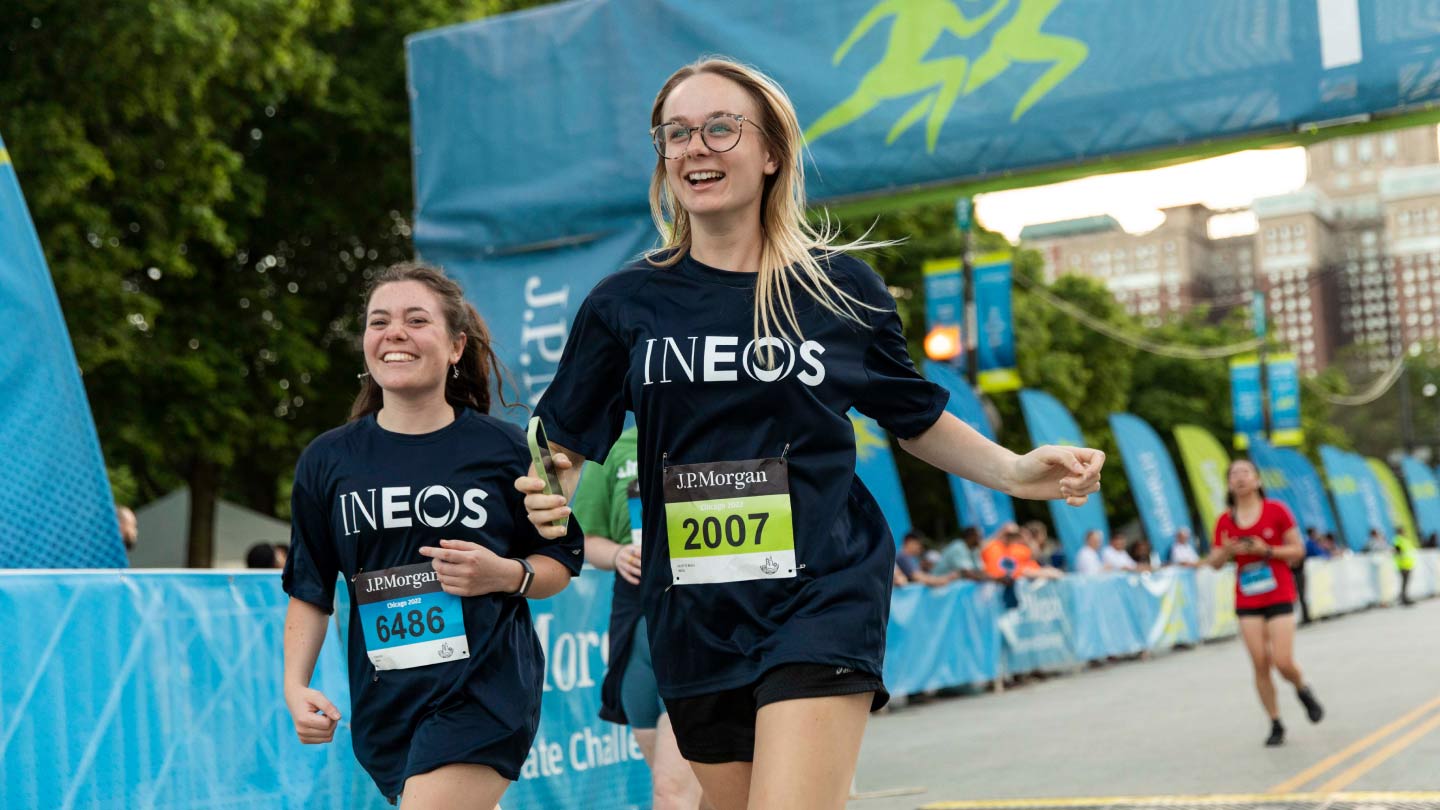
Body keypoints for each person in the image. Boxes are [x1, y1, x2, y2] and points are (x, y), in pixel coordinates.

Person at [515, 57, 1105, 810]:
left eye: (720, 127)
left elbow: (915, 417)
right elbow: (561, 442)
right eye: (676, 133)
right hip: (694, 609)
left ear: (771, 152)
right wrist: (549, 489)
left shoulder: (838, 290)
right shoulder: (625, 302)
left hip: (822, 591)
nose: (696, 147)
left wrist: (1016, 471)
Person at [281, 263, 584, 808]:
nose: (394, 332)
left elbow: (561, 560)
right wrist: (295, 685)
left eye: (416, 320)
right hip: (385, 704)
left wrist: (505, 574)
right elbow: (310, 586)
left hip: (484, 691)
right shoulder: (327, 460)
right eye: (379, 321)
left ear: (455, 346)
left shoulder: (508, 449)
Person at [571, 426, 704, 810]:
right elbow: (585, 538)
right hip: (635, 623)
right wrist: (617, 555)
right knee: (697, 794)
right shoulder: (614, 449)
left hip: (699, 618)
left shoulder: (708, 432)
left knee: (671, 792)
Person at [1204, 459, 1323, 747]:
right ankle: (1275, 721)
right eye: (1234, 474)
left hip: (1278, 592)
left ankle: (1302, 687)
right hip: (1248, 597)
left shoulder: (1276, 510)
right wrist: (1227, 551)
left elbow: (1298, 551)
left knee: (1282, 661)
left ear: (1257, 479)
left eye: (1245, 472)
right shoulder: (1224, 521)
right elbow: (1214, 563)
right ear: (1229, 483)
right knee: (1260, 663)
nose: (1240, 477)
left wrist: (1266, 550)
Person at [1394, 526, 1418, 607]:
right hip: (1403, 565)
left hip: (1407, 564)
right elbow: (1397, 551)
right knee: (1404, 582)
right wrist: (1400, 556)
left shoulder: (1405, 540)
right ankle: (1403, 598)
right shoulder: (1398, 539)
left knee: (1406, 583)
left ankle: (1404, 597)